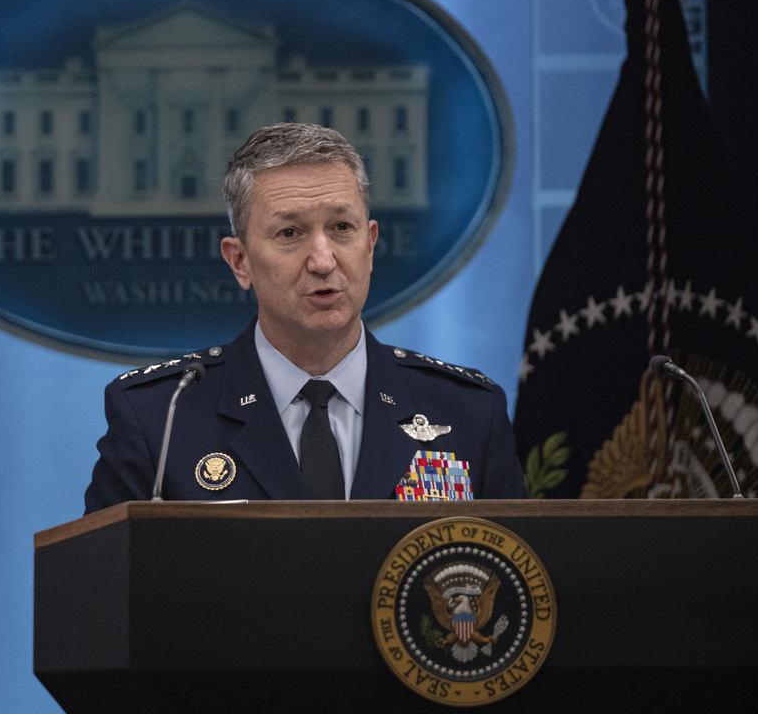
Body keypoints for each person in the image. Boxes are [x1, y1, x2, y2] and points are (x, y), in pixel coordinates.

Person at [84, 123, 524, 511]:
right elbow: (100, 597)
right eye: (289, 233)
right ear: (240, 262)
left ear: (370, 247)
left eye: (341, 228)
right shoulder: (161, 421)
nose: (322, 259)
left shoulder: (469, 414)